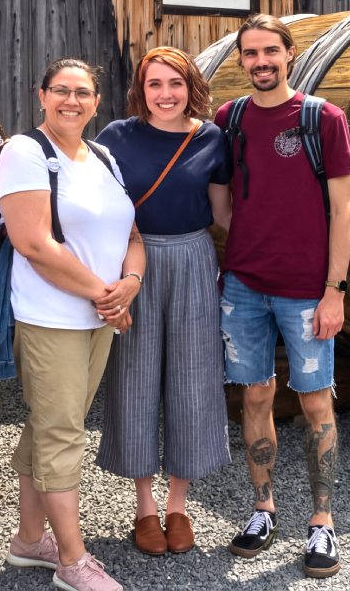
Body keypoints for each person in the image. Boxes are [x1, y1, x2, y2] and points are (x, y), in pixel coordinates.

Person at [0, 58, 145, 591]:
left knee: (51, 425)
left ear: (96, 101)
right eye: (61, 90)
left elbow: (132, 234)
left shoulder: (102, 155)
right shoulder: (25, 152)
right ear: (42, 95)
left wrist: (130, 281)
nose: (71, 101)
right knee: (63, 433)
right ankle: (72, 562)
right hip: (52, 317)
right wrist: (107, 296)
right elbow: (33, 242)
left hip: (99, 316)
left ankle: (30, 540)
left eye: (82, 92)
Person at [215, 13, 350, 579]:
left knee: (316, 401)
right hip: (244, 286)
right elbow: (220, 201)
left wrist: (335, 291)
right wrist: (246, 241)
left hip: (306, 292)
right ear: (242, 60)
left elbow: (343, 210)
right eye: (250, 53)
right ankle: (263, 510)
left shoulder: (324, 119)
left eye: (270, 51)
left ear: (289, 53)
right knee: (254, 397)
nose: (261, 62)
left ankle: (321, 523)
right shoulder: (231, 118)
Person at [95, 47, 233, 556]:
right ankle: (144, 509)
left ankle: (178, 505)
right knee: (133, 376)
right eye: (155, 84)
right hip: (134, 260)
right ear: (141, 90)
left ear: (190, 85)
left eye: (175, 83)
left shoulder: (211, 138)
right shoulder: (115, 137)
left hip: (194, 256)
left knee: (194, 378)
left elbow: (223, 213)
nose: (166, 94)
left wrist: (281, 249)